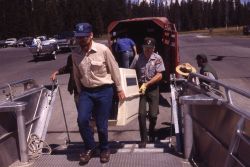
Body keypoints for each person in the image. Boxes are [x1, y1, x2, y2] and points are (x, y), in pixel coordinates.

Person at [71, 22, 125, 164]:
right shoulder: (75, 54)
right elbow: (77, 75)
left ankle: (104, 149)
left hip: (104, 91)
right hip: (86, 92)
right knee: (82, 120)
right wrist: (79, 92)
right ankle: (90, 147)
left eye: (84, 37)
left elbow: (114, 69)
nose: (81, 40)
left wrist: (119, 89)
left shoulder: (103, 50)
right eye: (78, 37)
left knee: (102, 125)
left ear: (91, 35)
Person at [130, 37, 165, 148]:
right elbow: (130, 72)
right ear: (142, 47)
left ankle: (152, 132)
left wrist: (148, 84)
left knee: (153, 115)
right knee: (141, 115)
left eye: (150, 48)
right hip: (141, 88)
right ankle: (143, 139)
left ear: (153, 48)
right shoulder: (137, 58)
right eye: (146, 48)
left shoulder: (157, 58)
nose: (147, 50)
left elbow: (160, 75)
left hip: (153, 88)